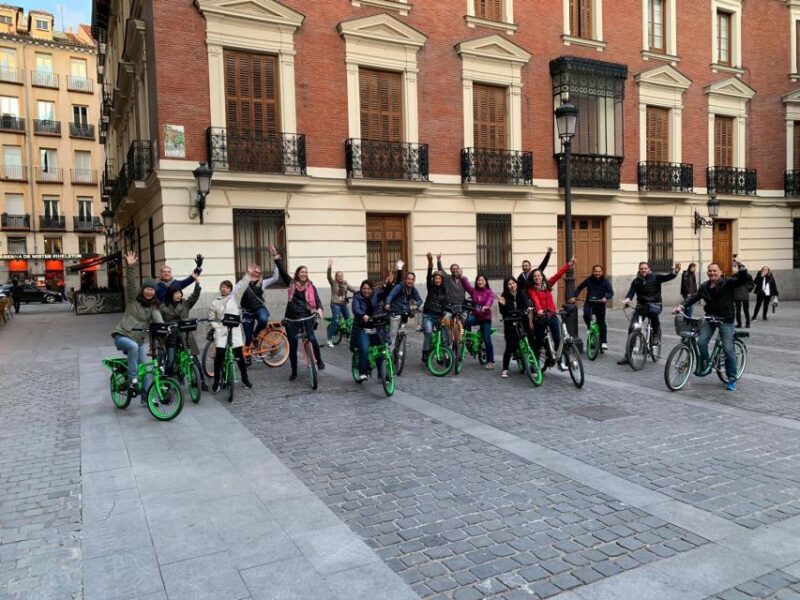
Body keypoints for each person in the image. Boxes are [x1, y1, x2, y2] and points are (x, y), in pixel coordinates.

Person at [673, 259, 750, 391]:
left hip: (726, 319)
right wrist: (681, 306)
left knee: (728, 349)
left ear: (720, 272)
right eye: (710, 271)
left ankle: (732, 378)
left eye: (715, 271)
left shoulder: (728, 283)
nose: (712, 273)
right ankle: (706, 364)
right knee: (701, 342)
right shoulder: (704, 286)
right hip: (710, 318)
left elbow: (743, 280)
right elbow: (693, 297)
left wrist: (741, 266)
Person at [110, 251, 164, 398]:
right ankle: (133, 379)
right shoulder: (134, 299)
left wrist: (167, 329)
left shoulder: (153, 307)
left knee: (146, 370)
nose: (149, 291)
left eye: (152, 289)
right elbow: (131, 283)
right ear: (143, 289)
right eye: (147, 288)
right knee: (133, 347)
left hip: (138, 340)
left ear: (154, 292)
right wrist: (131, 266)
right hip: (122, 334)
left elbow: (159, 321)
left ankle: (146, 399)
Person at [273, 252, 324, 381]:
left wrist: (319, 309)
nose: (304, 274)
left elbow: (317, 300)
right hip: (292, 318)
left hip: (307, 316)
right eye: (302, 272)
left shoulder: (311, 286)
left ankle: (319, 360)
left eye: (306, 272)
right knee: (293, 344)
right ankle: (294, 371)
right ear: (297, 274)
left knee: (312, 338)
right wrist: (276, 257)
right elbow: (282, 271)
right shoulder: (291, 283)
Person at [618, 261, 680, 365]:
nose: (643, 270)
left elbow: (668, 277)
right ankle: (628, 355)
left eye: (645, 268)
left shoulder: (656, 277)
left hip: (655, 304)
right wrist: (627, 299)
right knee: (632, 328)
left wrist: (675, 272)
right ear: (639, 270)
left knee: (653, 313)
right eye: (641, 268)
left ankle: (655, 334)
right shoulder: (636, 281)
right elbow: (631, 292)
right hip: (641, 306)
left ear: (649, 269)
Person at [208, 270, 254, 392]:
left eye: (227, 287)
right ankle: (217, 381)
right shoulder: (215, 302)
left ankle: (245, 378)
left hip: (234, 331)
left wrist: (248, 275)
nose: (224, 289)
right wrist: (216, 327)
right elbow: (211, 318)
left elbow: (242, 286)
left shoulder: (235, 298)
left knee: (239, 355)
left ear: (230, 289)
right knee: (220, 356)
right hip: (221, 331)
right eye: (222, 287)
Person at [160, 273, 207, 390]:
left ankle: (201, 381)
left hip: (186, 335)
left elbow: (195, 296)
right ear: (170, 295)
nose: (178, 295)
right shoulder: (163, 307)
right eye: (175, 293)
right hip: (171, 337)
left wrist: (197, 284)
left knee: (194, 359)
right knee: (170, 360)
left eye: (179, 293)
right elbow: (160, 322)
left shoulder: (186, 304)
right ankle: (166, 383)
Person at [527, 258, 575, 366]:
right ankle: (535, 366)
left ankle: (559, 361)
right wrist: (539, 310)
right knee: (538, 343)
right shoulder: (532, 289)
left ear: (542, 276)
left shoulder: (547, 284)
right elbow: (535, 299)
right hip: (540, 317)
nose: (537, 278)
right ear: (532, 278)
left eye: (539, 275)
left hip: (551, 315)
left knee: (558, 339)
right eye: (534, 276)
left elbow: (558, 275)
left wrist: (569, 264)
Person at [241, 259, 280, 363]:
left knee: (263, 319)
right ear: (251, 272)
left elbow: (275, 278)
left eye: (259, 272)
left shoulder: (263, 283)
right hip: (246, 311)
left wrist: (276, 262)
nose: (257, 274)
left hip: (259, 308)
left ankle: (256, 334)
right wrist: (247, 273)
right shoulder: (244, 282)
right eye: (255, 271)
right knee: (248, 337)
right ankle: (248, 356)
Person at [570, 264, 614, 350]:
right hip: (589, 303)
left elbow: (611, 292)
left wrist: (606, 297)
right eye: (595, 271)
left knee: (601, 323)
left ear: (602, 272)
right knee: (586, 315)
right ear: (593, 272)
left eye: (599, 271)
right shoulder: (589, 280)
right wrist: (574, 296)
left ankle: (604, 342)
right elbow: (579, 287)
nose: (597, 273)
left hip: (600, 304)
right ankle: (590, 328)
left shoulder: (605, 282)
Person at [351, 279, 388, 381]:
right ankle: (362, 372)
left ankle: (382, 374)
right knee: (364, 348)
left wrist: (388, 284)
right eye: (364, 288)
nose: (366, 291)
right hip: (362, 328)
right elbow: (355, 309)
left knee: (380, 350)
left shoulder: (375, 295)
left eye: (368, 289)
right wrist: (363, 315)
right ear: (361, 289)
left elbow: (386, 293)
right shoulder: (357, 297)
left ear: (372, 289)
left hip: (375, 327)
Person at [498, 276, 532, 378]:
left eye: (513, 283)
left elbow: (526, 306)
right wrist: (502, 305)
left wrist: (528, 309)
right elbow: (503, 313)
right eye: (509, 284)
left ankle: (534, 366)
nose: (512, 285)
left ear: (516, 283)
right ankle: (505, 369)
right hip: (510, 322)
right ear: (506, 286)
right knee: (509, 346)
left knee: (530, 342)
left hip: (522, 321)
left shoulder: (521, 293)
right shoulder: (504, 295)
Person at [461, 273, 495, 369]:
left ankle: (490, 361)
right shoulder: (474, 291)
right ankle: (468, 339)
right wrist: (462, 276)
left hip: (485, 318)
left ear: (486, 282)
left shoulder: (489, 292)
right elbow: (467, 286)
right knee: (466, 321)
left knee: (487, 338)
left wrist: (487, 306)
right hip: (476, 316)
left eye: (482, 280)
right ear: (476, 281)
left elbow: (490, 300)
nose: (480, 282)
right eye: (479, 280)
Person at [383, 262, 423, 343]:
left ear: (414, 281)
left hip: (405, 311)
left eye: (412, 279)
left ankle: (418, 327)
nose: (410, 281)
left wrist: (416, 305)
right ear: (405, 280)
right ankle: (390, 352)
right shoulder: (399, 286)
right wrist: (387, 304)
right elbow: (390, 295)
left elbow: (420, 300)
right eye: (408, 279)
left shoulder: (413, 289)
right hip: (395, 311)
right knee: (393, 334)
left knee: (422, 309)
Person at [421, 252, 448, 364]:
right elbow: (428, 274)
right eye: (436, 278)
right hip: (428, 316)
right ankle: (425, 352)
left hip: (439, 317)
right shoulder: (430, 287)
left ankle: (446, 354)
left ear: (442, 280)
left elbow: (446, 304)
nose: (437, 280)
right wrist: (430, 262)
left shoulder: (444, 290)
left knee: (444, 336)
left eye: (439, 278)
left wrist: (439, 261)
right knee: (428, 333)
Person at [326, 258, 358, 347]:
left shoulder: (345, 284)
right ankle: (329, 339)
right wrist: (329, 267)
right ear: (336, 277)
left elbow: (354, 290)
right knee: (335, 320)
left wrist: (361, 293)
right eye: (338, 276)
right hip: (335, 304)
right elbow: (328, 277)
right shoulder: (333, 283)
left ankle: (348, 337)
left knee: (348, 320)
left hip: (343, 304)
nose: (340, 277)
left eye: (341, 276)